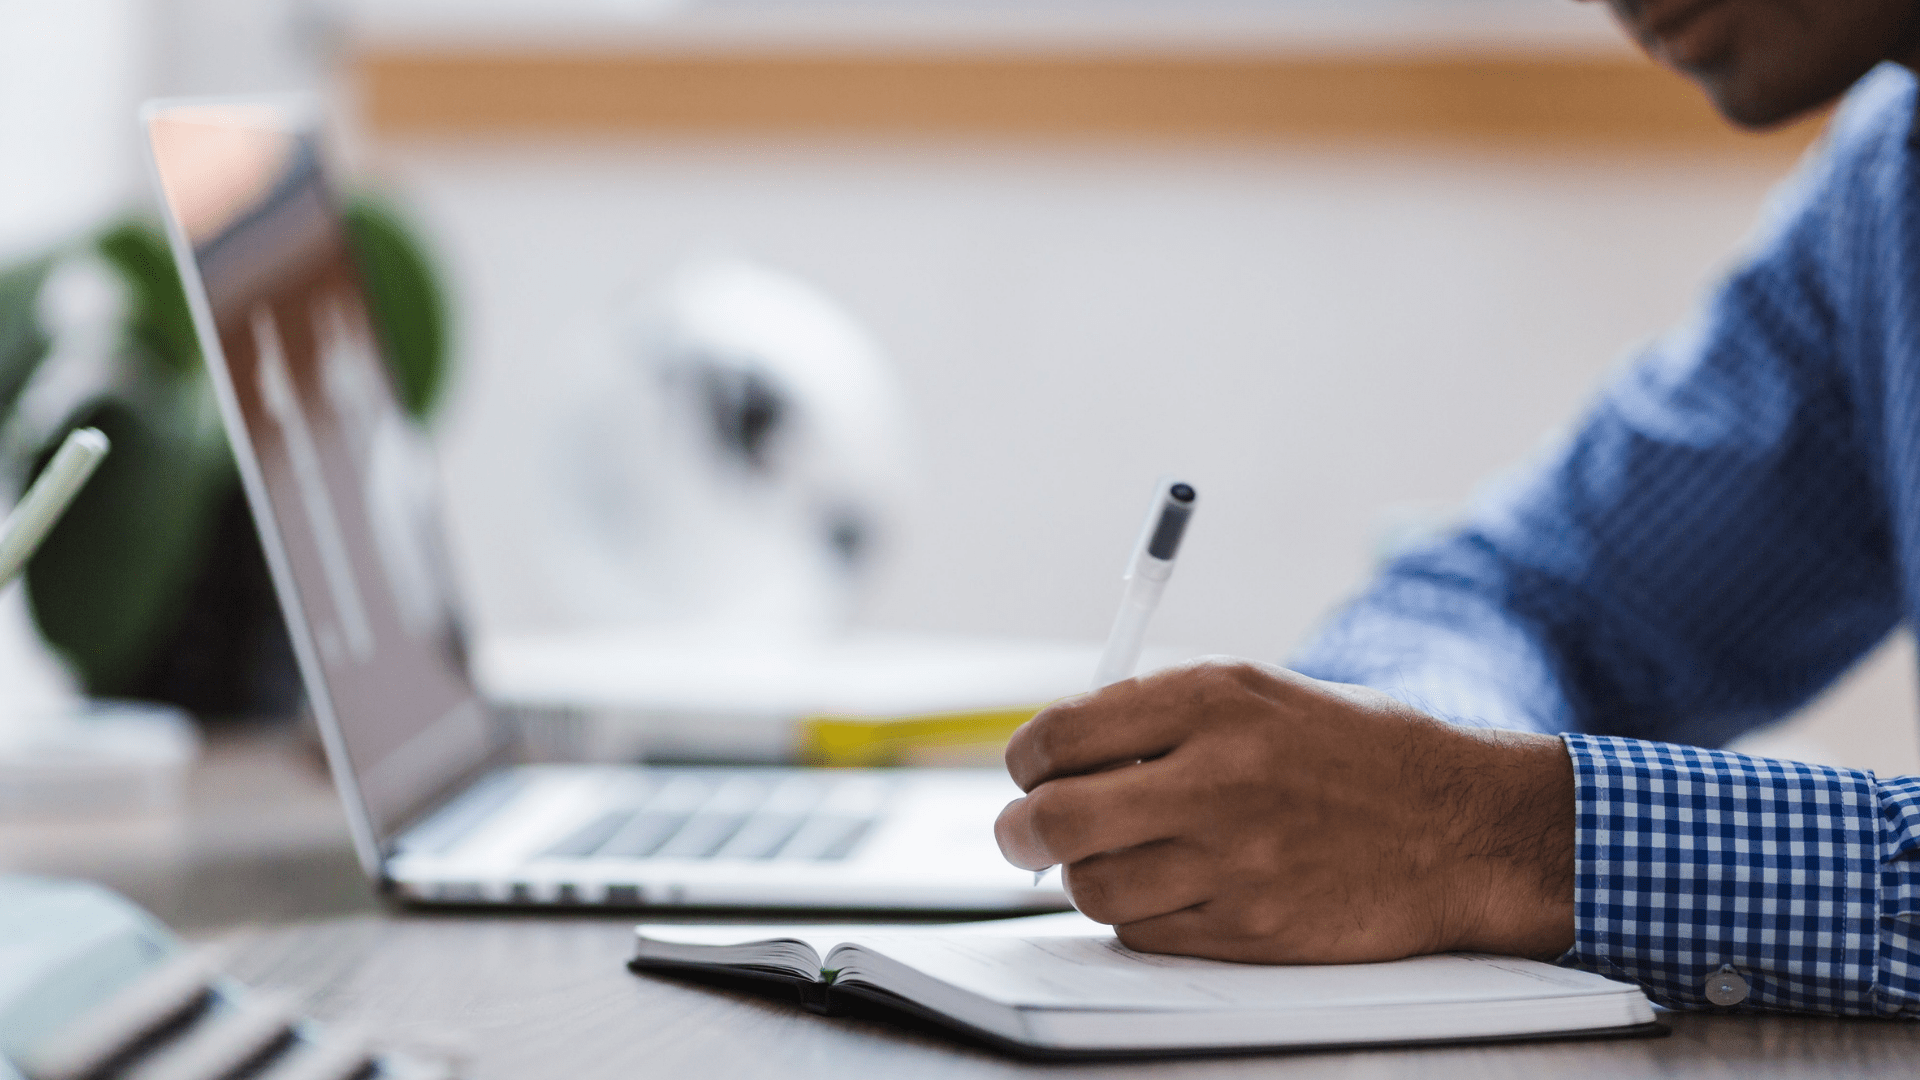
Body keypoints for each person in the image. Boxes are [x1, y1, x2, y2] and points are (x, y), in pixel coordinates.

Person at [993, 0, 1920, 1016]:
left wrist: (1495, 833)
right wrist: (1391, 780)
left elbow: (1480, 793)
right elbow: (1528, 597)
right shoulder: (1886, 183)